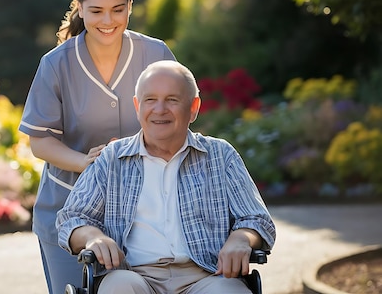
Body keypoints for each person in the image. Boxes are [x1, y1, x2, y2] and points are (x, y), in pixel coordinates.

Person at [18, 0, 177, 294]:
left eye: (118, 10)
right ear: (80, 8)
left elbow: (176, 120)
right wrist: (87, 163)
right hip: (67, 211)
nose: (108, 21)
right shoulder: (56, 63)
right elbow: (40, 141)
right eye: (97, 11)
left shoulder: (155, 53)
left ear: (131, 7)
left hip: (145, 211)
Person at [56, 60, 277, 294]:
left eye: (172, 100)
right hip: (132, 275)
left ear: (193, 107)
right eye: (150, 99)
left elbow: (257, 219)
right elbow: (71, 219)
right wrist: (92, 236)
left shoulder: (220, 155)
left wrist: (241, 239)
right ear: (137, 106)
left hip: (208, 276)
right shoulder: (111, 159)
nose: (160, 109)